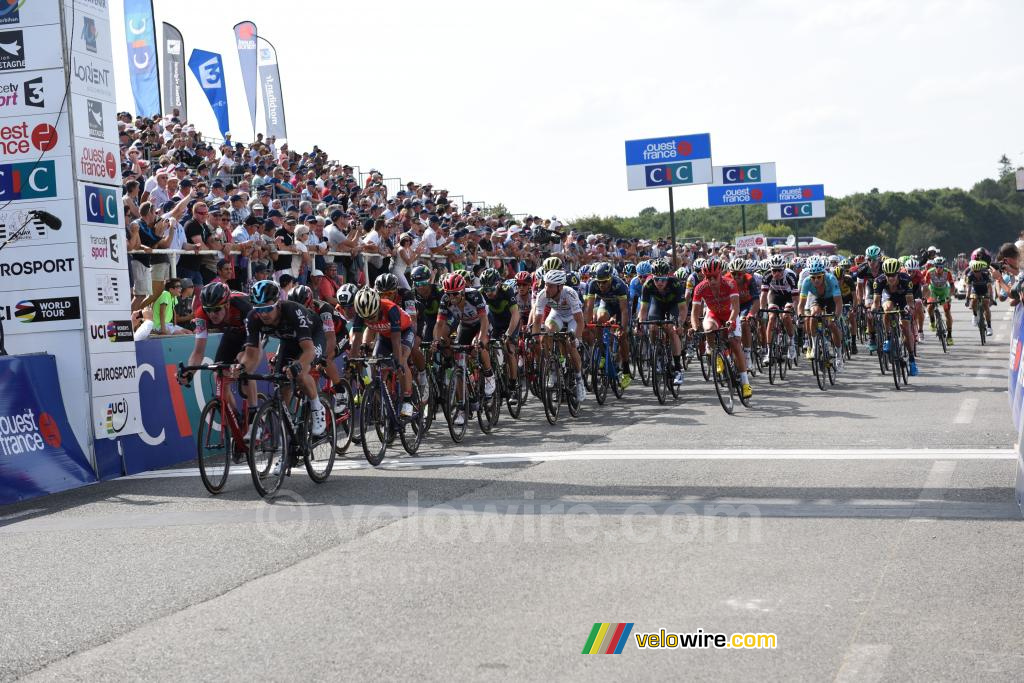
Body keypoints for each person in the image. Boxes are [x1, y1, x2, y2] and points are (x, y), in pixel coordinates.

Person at [235, 280, 328, 436]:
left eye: (267, 308)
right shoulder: (253, 317)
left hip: (312, 338)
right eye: (259, 309)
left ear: (278, 304)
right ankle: (288, 443)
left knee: (300, 372)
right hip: (289, 341)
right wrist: (242, 367)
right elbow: (251, 353)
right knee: (282, 384)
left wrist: (297, 366)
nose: (263, 314)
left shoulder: (292, 311)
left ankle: (317, 408)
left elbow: (309, 351)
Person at [179, 282, 258, 413]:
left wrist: (243, 363)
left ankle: (253, 415)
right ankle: (235, 418)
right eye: (208, 310)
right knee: (219, 375)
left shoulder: (242, 307)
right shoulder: (201, 314)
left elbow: (253, 348)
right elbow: (198, 351)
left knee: (244, 365)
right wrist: (190, 372)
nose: (212, 314)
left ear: (227, 305)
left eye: (216, 309)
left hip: (251, 333)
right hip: (231, 333)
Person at [691, 258, 752, 399]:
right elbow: (695, 312)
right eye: (708, 277)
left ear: (721, 274)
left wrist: (731, 320)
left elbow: (736, 307)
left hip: (730, 314)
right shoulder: (700, 287)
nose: (711, 281)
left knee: (735, 344)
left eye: (714, 277)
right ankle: (717, 355)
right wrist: (694, 327)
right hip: (714, 314)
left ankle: (745, 383)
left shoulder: (730, 283)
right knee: (708, 329)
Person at [351, 288, 416, 419]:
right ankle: (387, 403)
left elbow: (396, 340)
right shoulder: (360, 313)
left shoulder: (390, 309)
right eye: (367, 318)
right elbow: (356, 339)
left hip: (404, 332)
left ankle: (408, 400)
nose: (371, 320)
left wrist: (397, 363)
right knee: (377, 366)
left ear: (378, 307)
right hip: (384, 336)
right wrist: (351, 360)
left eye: (372, 316)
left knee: (401, 361)